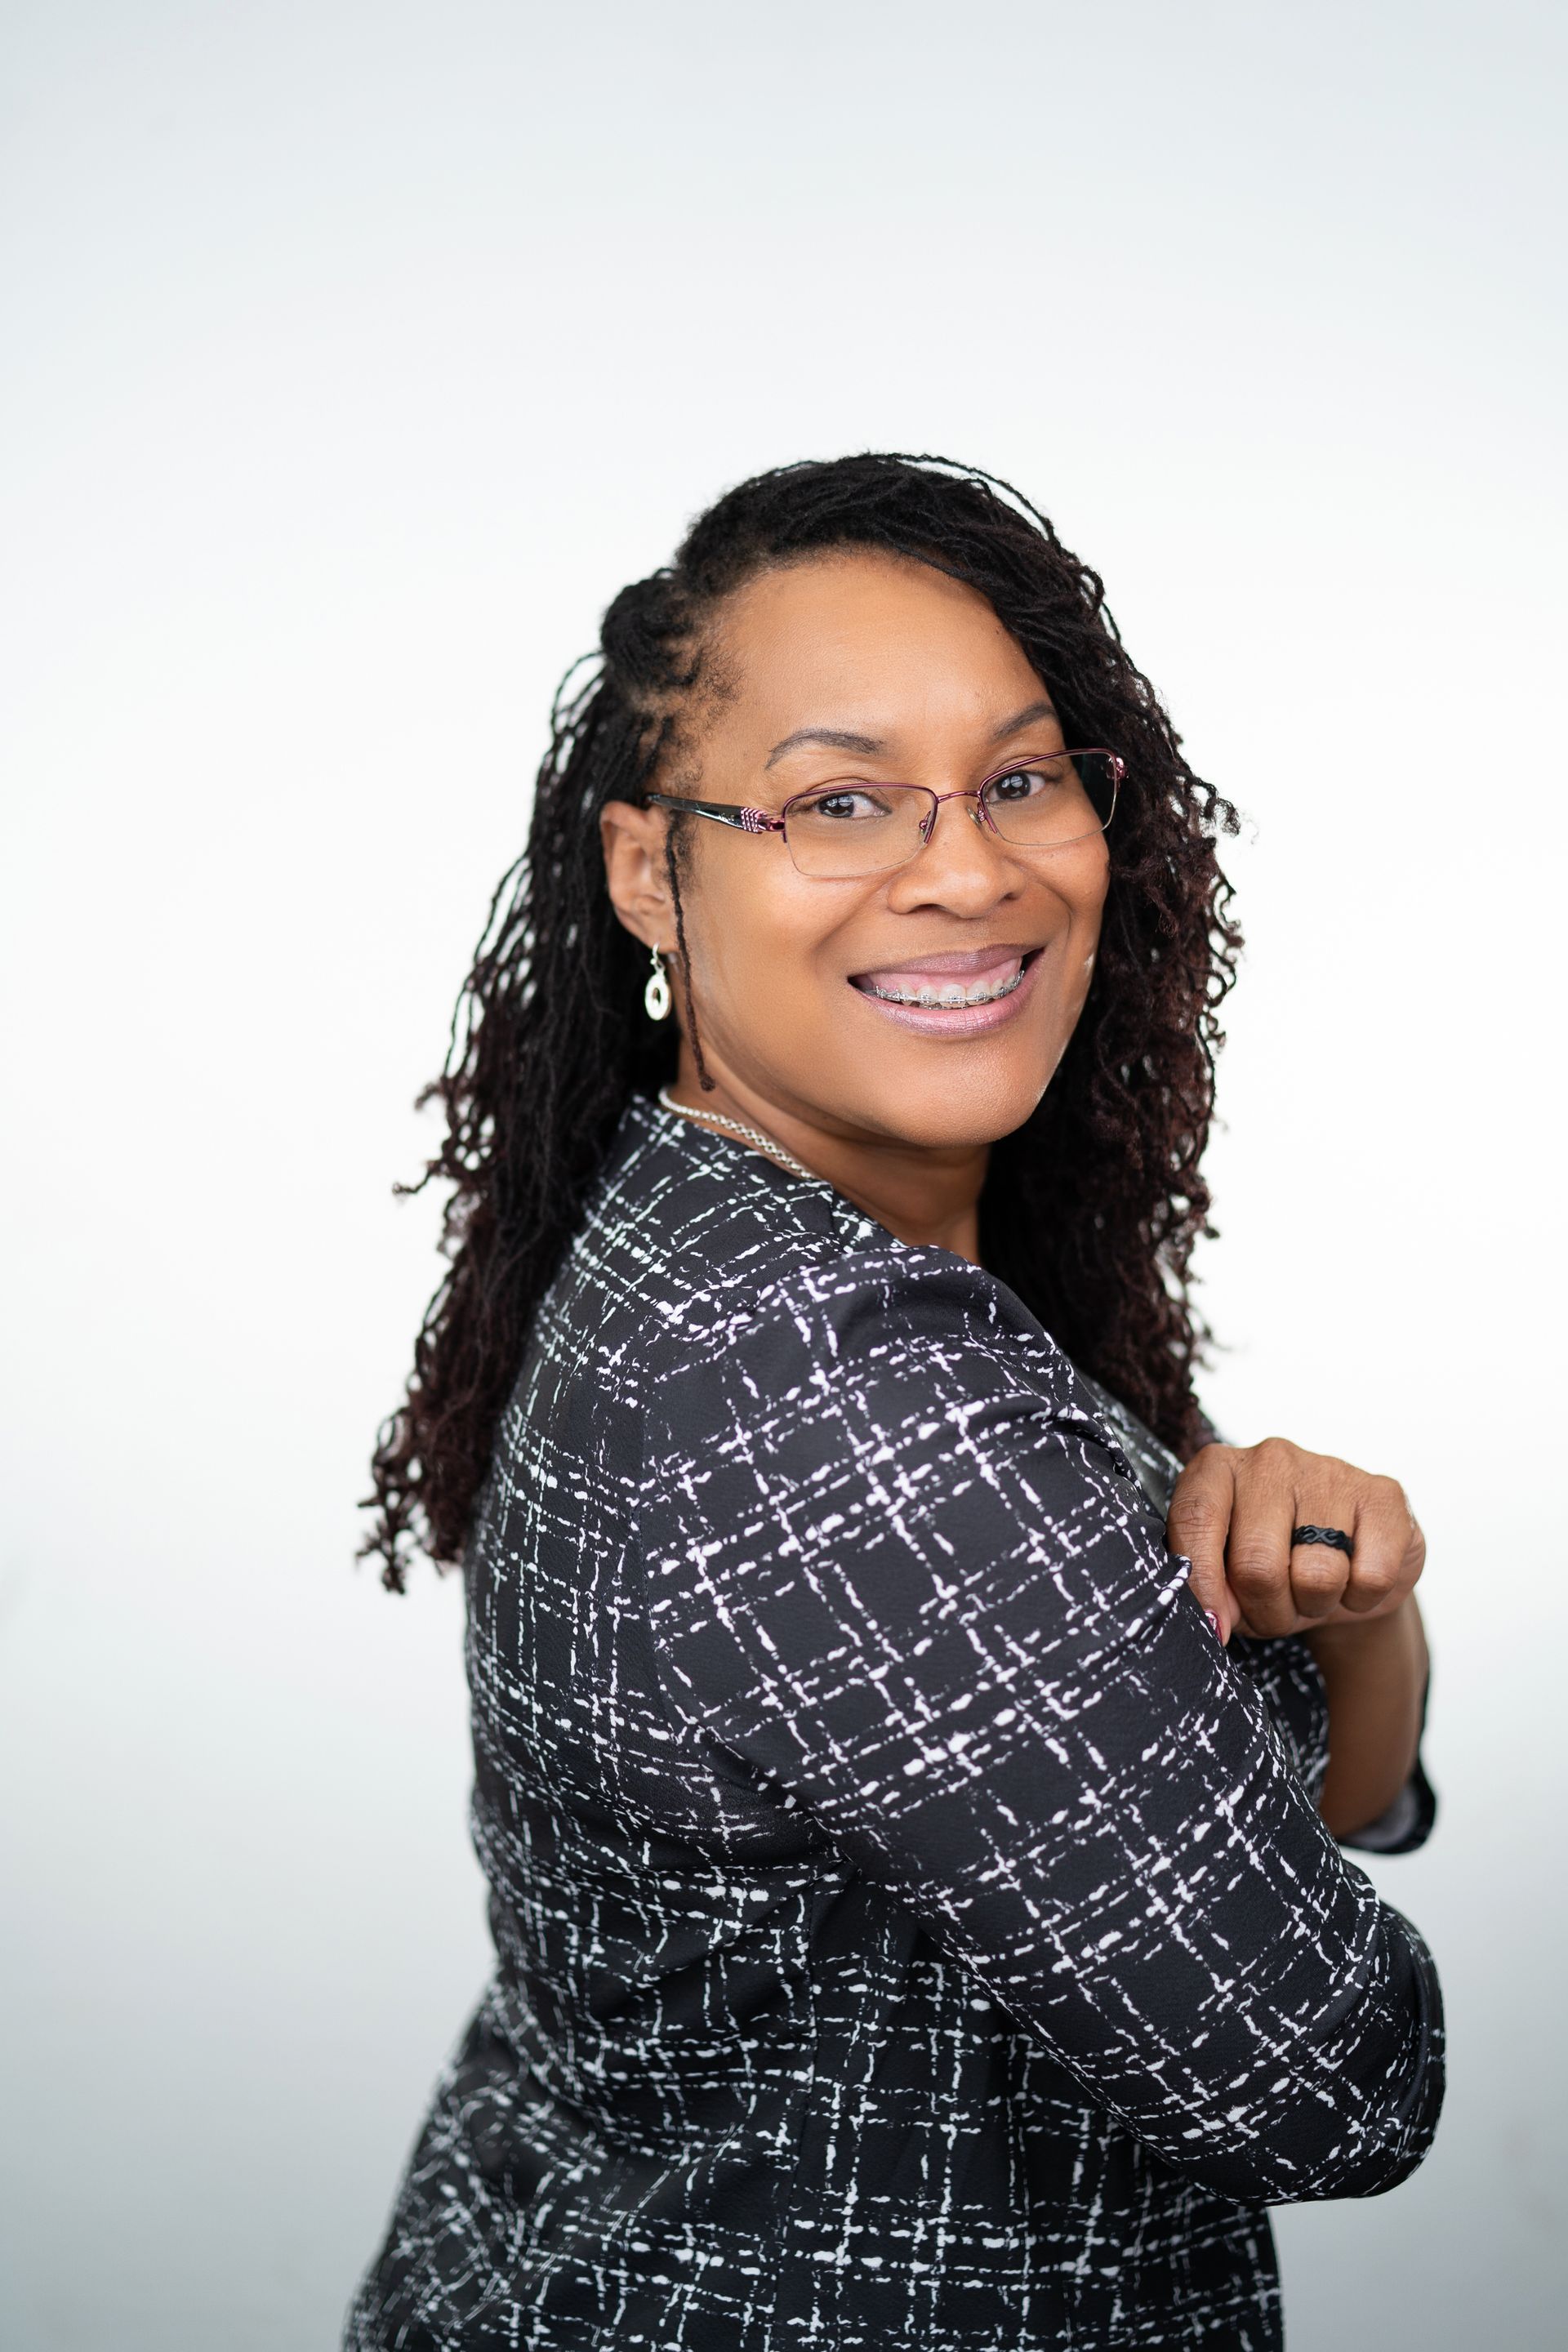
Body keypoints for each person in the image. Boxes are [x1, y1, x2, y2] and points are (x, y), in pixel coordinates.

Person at [345, 454, 1442, 2351]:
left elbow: (1332, 1802)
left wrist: (1354, 1608)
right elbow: (1336, 2082)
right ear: (647, 871)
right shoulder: (836, 1397)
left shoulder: (729, 1236)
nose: (967, 866)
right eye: (838, 799)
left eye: (1021, 778)